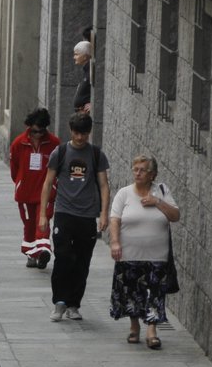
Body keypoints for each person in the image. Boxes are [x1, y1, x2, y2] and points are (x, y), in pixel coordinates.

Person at [37, 112, 110, 323]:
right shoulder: (59, 152)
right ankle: (59, 302)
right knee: (63, 256)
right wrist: (43, 215)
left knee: (82, 262)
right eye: (77, 133)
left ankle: (74, 304)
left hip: (87, 215)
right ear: (71, 131)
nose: (80, 138)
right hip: (64, 212)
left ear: (89, 133)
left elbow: (104, 185)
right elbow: (48, 183)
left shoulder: (96, 155)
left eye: (84, 134)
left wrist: (103, 213)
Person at [109, 154, 181, 349]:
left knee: (155, 293)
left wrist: (157, 202)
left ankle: (152, 331)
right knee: (132, 292)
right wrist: (115, 242)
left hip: (157, 255)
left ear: (153, 174)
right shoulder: (124, 193)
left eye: (142, 170)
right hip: (129, 255)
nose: (138, 173)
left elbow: (175, 216)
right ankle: (134, 327)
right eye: (135, 169)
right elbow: (114, 219)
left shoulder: (162, 191)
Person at [9, 108, 60, 269]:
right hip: (25, 192)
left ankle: (43, 250)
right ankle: (32, 254)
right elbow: (14, 168)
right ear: (30, 127)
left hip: (46, 192)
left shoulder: (54, 144)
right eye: (35, 131)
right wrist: (20, 182)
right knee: (29, 224)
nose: (38, 135)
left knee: (42, 221)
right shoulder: (18, 143)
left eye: (42, 131)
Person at [73, 37, 94, 113]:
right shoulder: (86, 69)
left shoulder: (91, 70)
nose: (74, 57)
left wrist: (94, 104)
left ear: (85, 56)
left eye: (76, 54)